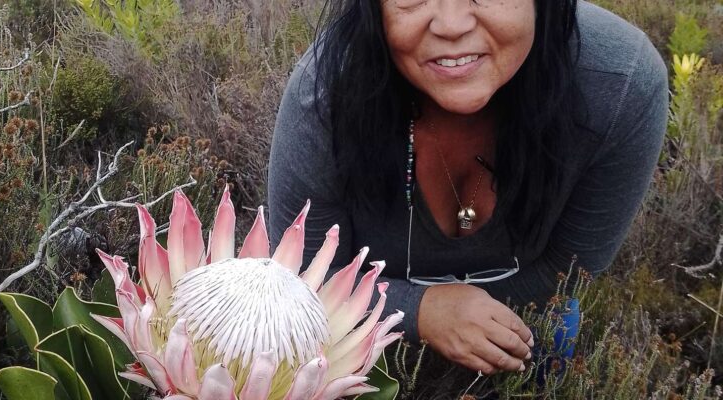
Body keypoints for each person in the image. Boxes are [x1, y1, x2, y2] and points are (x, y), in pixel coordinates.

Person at [267, 0, 668, 376]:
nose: (451, 25)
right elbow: (301, 281)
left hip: (532, 316)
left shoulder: (620, 83)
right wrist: (419, 312)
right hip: (357, 334)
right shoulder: (325, 96)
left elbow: (567, 272)